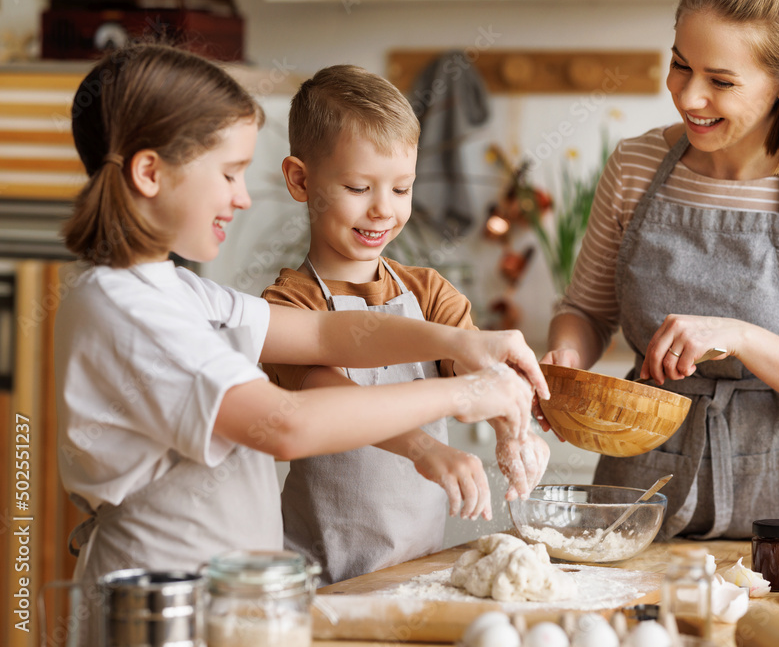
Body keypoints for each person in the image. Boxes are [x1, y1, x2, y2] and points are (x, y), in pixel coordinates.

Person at [54, 44, 549, 600]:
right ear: (150, 172)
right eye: (229, 173)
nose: (242, 198)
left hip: (223, 607)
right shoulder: (130, 311)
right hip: (162, 609)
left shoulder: (179, 291)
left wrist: (462, 343)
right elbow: (287, 424)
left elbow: (319, 333)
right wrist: (460, 395)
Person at [540, 0, 779, 540]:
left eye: (721, 81)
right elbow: (587, 311)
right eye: (680, 66)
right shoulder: (635, 165)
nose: (689, 96)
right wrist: (567, 364)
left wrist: (739, 335)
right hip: (637, 498)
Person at [261, 64, 551, 585]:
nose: (382, 211)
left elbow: (473, 366)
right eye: (357, 186)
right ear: (300, 180)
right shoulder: (287, 306)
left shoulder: (429, 293)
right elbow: (332, 404)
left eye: (401, 188)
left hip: (417, 571)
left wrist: (514, 429)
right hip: (320, 577)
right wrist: (428, 449)